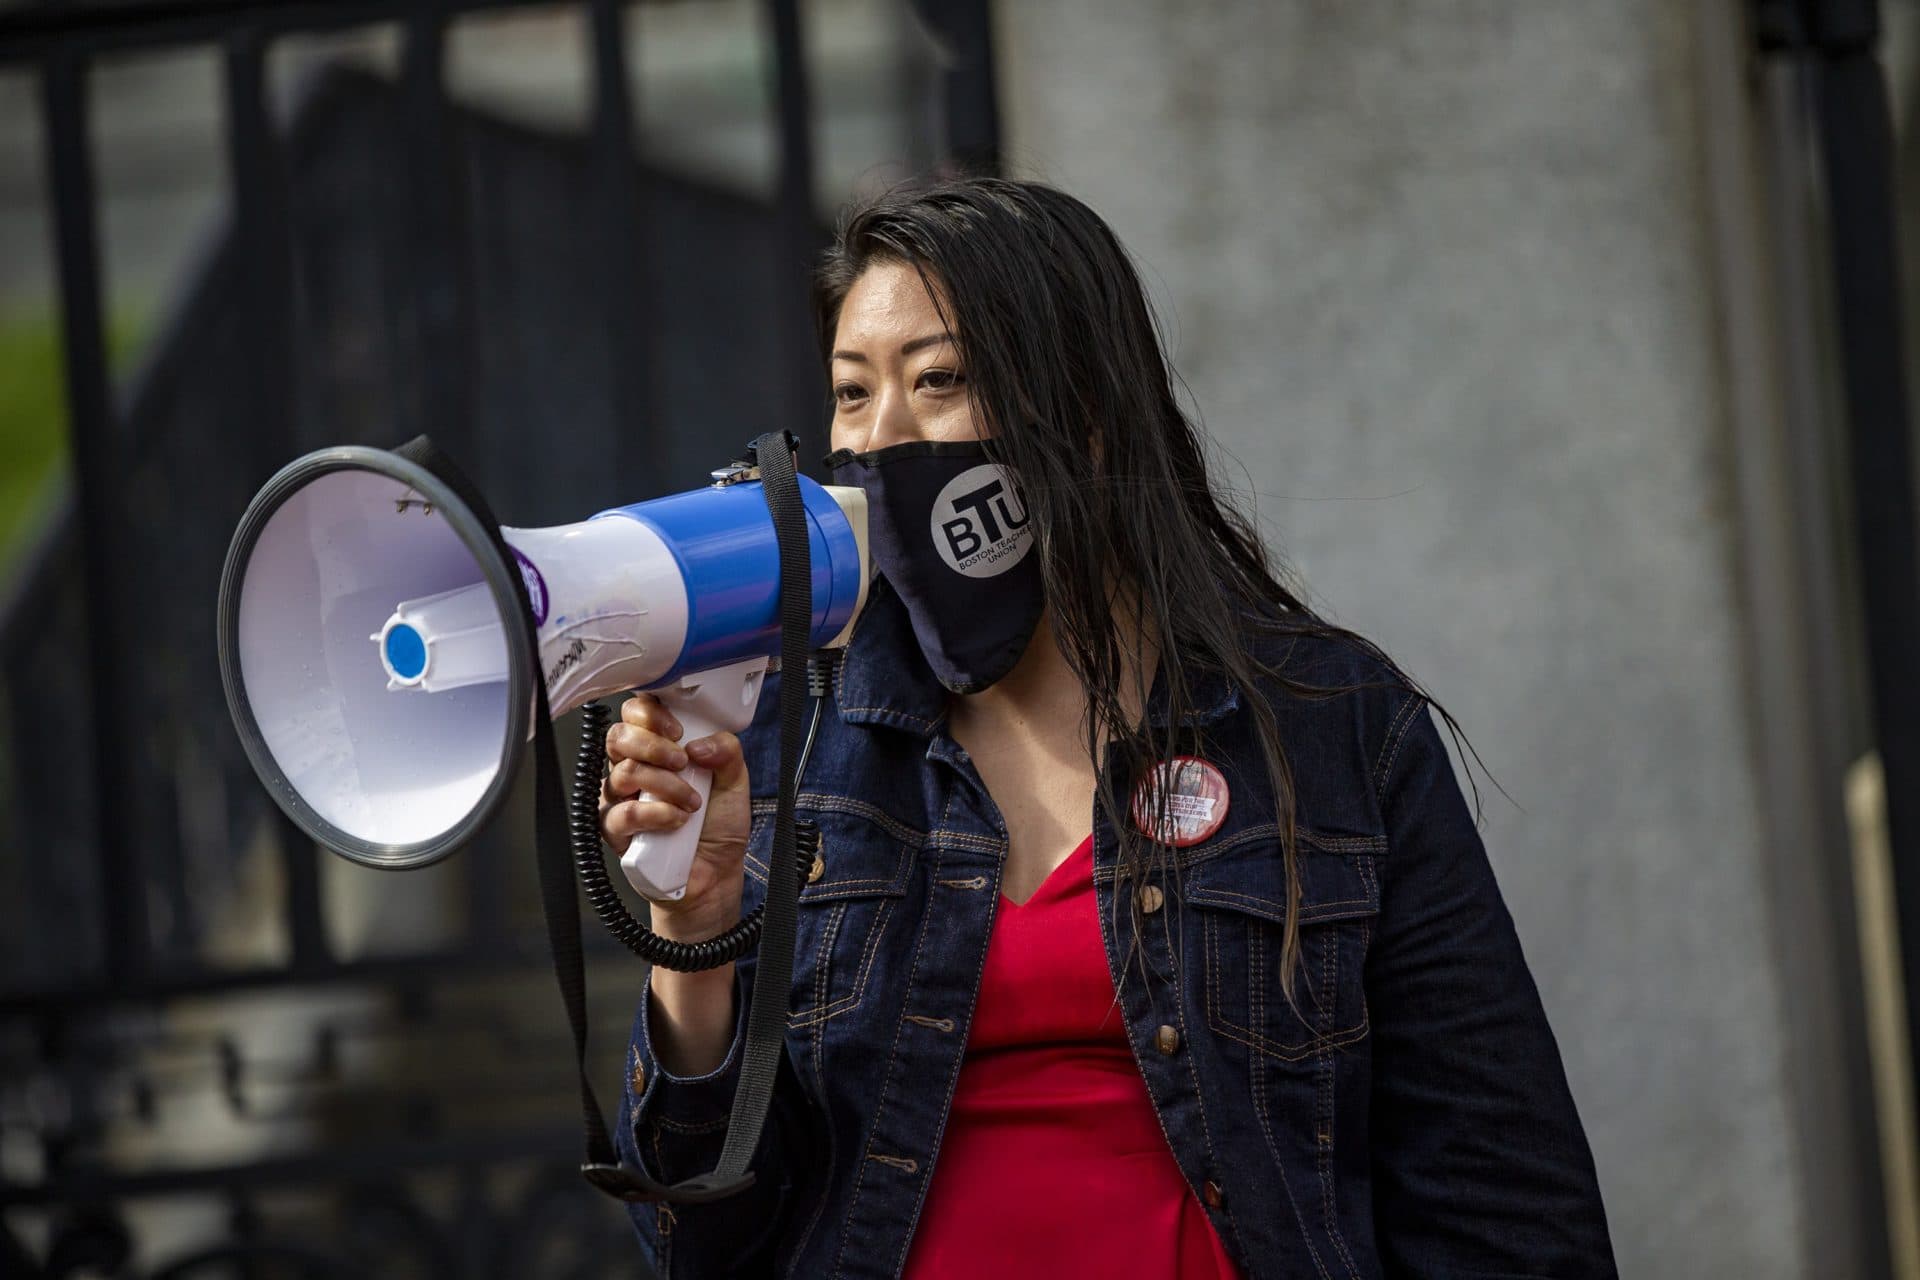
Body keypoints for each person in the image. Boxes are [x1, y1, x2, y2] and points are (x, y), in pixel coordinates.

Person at [599, 176, 1616, 1279]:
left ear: (1080, 417)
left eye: (938, 380)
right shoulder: (796, 738)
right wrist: (694, 934)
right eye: (851, 395)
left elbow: (1500, 1193)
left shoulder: (1325, 728)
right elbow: (698, 1237)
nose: (880, 440)